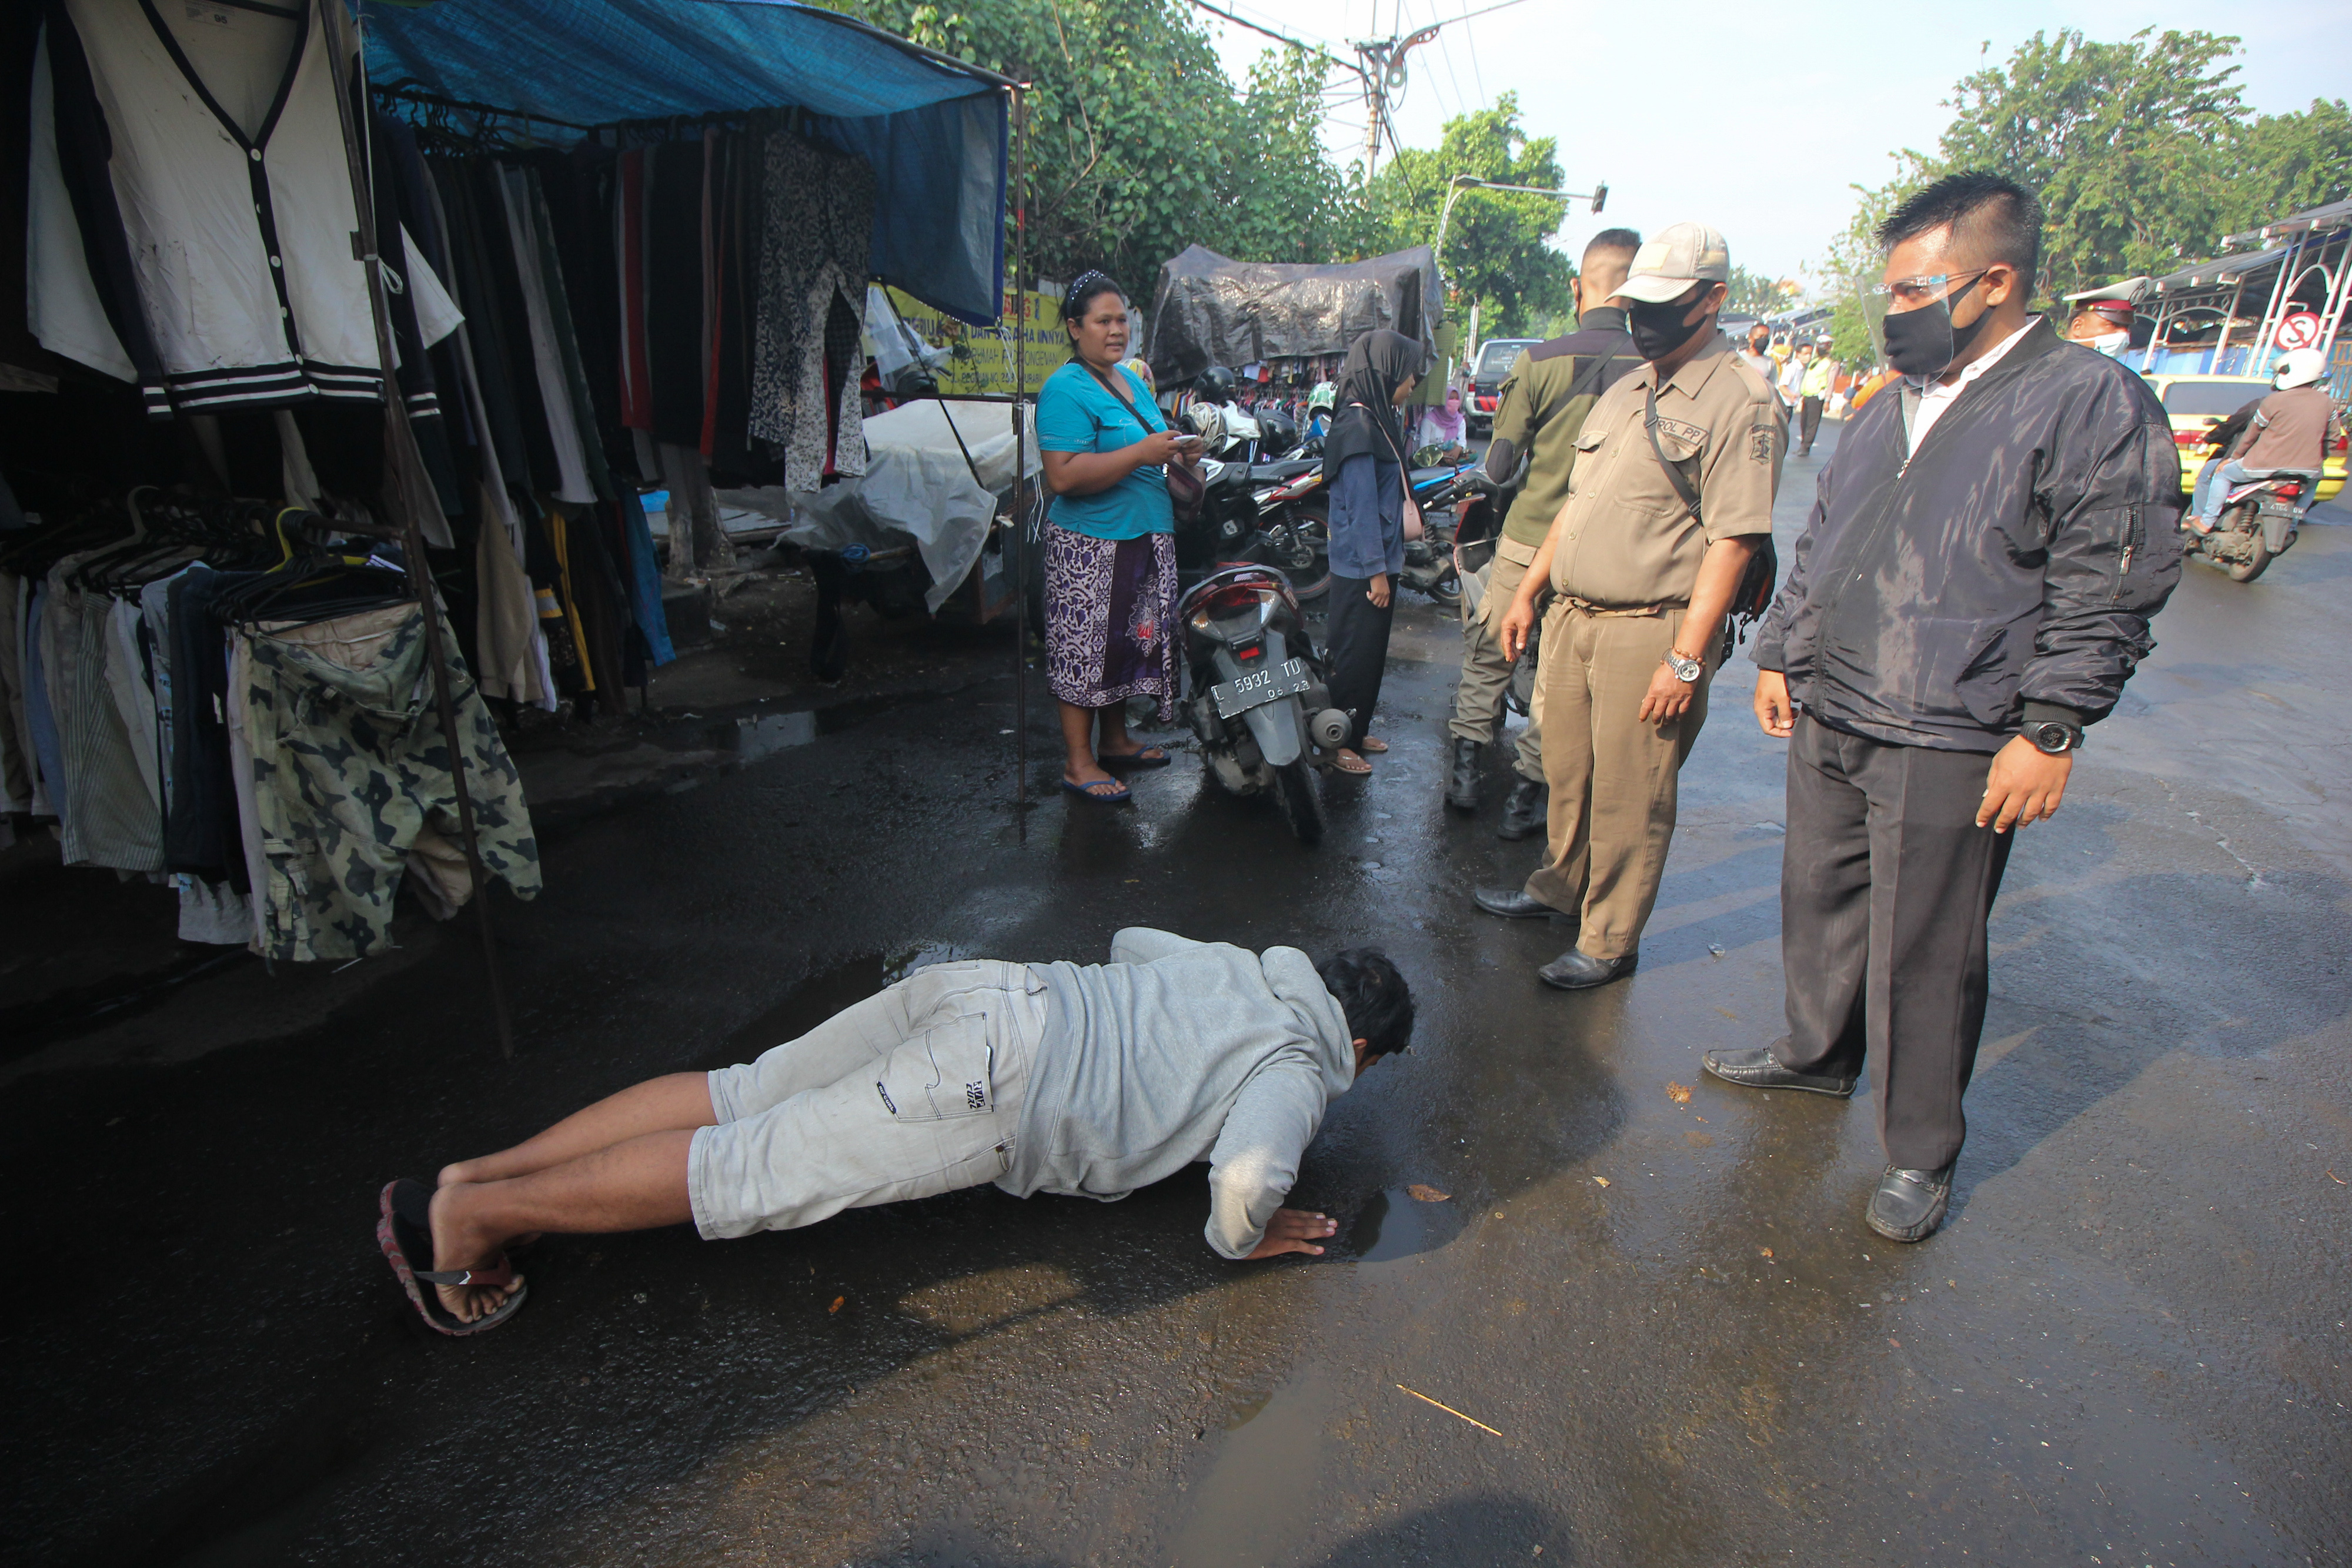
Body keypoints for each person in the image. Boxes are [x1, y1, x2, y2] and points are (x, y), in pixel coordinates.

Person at [1720, 172, 2184, 1243]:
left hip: (1955, 723)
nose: (1893, 311)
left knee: (1927, 948)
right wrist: (1783, 651)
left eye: (1913, 288)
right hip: (1839, 701)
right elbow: (1825, 541)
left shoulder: (2085, 400)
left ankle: (1921, 1150)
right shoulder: (1889, 407)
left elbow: (2110, 581)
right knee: (1819, 898)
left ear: (1995, 282)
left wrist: (2051, 727)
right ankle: (1814, 1055)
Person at [378, 931, 1418, 1333]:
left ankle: (473, 1174)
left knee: (745, 1092)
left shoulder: (1246, 966)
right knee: (745, 1170)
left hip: (990, 990)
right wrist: (1250, 1233)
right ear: (1361, 1050)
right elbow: (1245, 1184)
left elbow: (1131, 940)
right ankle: (473, 1218)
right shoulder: (1298, 1070)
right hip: (992, 1085)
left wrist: (1159, 1041)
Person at [1475, 222, 1783, 989]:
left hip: (1652, 626)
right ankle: (1559, 890)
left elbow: (1734, 540)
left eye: (1663, 303)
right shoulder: (1627, 390)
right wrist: (1531, 588)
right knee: (1570, 772)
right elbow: (1575, 507)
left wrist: (1686, 655)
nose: (1643, 319)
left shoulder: (1740, 399)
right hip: (1576, 617)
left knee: (1630, 793)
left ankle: (1610, 939)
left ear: (1711, 302)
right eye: (1638, 303)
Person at [1446, 228, 1645, 838]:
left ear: (1576, 286)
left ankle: (1465, 773)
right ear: (1635, 294)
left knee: (1490, 653)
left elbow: (1500, 467)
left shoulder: (1538, 361)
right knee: (1559, 678)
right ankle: (1527, 798)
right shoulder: (1656, 370)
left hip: (1530, 534)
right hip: (1609, 553)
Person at [1035, 272, 1197, 803]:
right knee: (1084, 650)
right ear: (1075, 327)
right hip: (1090, 544)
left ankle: (1117, 739)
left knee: (1123, 645)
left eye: (1122, 319)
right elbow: (1062, 474)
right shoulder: (1065, 387)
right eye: (1103, 320)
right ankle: (1079, 762)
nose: (1116, 329)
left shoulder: (1131, 381)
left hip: (1143, 538)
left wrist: (1177, 452)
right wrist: (1141, 454)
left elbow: (1148, 444)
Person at [1321, 329, 1429, 774]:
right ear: (1387, 373)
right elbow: (1361, 508)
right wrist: (1376, 573)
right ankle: (1335, 742)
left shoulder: (1378, 419)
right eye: (1409, 374)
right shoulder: (1359, 425)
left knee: (1370, 653)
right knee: (1350, 653)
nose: (1413, 384)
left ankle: (1356, 725)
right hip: (1363, 567)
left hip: (1380, 562)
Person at [2188, 346, 2340, 534]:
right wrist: (2318, 458)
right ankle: (2291, 526)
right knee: (2311, 486)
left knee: (2222, 474)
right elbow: (2333, 438)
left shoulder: (2273, 401)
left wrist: (2233, 458)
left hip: (2262, 466)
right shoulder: (2328, 403)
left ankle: (2207, 521)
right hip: (2307, 470)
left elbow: (2250, 436)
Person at [1795, 342, 1833, 456]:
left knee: (1812, 423)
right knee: (1804, 422)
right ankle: (1803, 444)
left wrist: (1828, 400)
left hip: (1817, 396)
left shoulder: (1830, 364)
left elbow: (1830, 383)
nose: (1821, 350)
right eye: (1820, 347)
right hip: (1807, 396)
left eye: (1824, 348)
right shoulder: (1814, 362)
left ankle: (1806, 447)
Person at [1421, 383, 1468, 454]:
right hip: (1433, 455)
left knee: (1472, 455)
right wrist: (1441, 454)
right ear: (1443, 400)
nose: (1455, 402)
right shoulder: (1429, 420)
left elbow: (1462, 441)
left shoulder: (1460, 420)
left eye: (1457, 399)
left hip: (1454, 455)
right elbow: (1424, 446)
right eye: (1451, 398)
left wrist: (1459, 448)